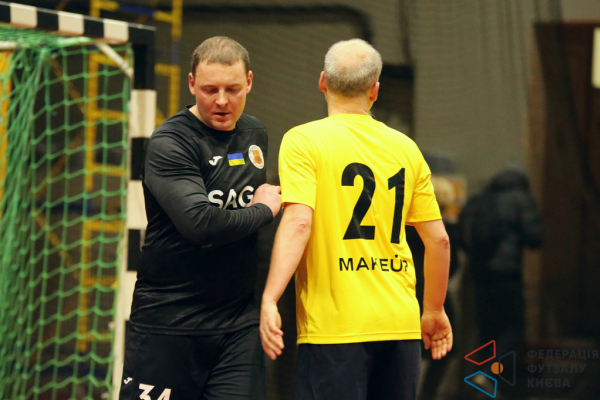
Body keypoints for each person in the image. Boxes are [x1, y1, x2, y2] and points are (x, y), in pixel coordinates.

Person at [260, 39, 453, 400]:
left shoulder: (303, 141)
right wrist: (434, 310)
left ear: (322, 81)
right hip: (400, 326)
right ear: (375, 90)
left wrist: (270, 298)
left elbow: (298, 223)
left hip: (335, 328)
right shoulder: (407, 149)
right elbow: (439, 240)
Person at [119, 36, 281, 400]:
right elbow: (201, 224)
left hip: (237, 325)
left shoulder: (254, 133)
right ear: (192, 84)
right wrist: (263, 210)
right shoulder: (171, 142)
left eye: (232, 89)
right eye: (210, 90)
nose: (222, 101)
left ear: (249, 82)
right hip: (170, 323)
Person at [459, 169, 542, 356]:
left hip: (479, 274)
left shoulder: (479, 201)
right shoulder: (521, 199)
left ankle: (482, 372)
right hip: (507, 274)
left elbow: (463, 239)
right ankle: (494, 370)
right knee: (512, 328)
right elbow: (535, 238)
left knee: (486, 331)